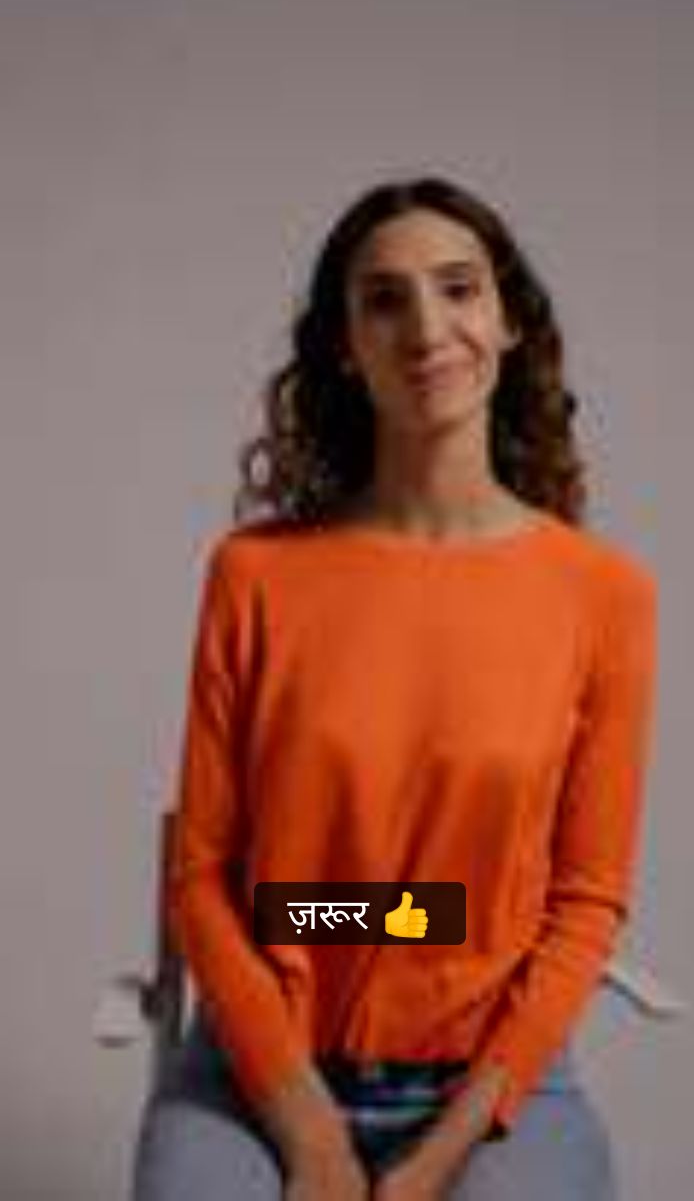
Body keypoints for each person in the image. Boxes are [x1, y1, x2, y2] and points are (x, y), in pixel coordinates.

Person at [130, 176, 657, 1199]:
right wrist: (309, 1129)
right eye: (384, 300)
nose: (426, 328)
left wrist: (445, 1152)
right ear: (345, 344)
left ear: (507, 320)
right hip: (260, 1070)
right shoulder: (256, 576)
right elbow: (202, 877)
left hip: (491, 1084)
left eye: (459, 289)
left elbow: (586, 904)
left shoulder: (604, 596)